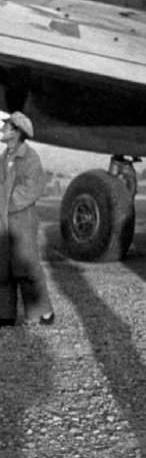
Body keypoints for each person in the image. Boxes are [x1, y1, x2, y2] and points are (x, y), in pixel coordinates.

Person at [0, 112, 53, 327]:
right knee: (3, 267)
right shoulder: (4, 156)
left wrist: (5, 203)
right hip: (3, 219)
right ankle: (5, 314)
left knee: (27, 266)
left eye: (7, 127)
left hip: (22, 220)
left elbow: (31, 188)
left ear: (17, 132)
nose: (3, 130)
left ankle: (43, 312)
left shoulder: (30, 157)